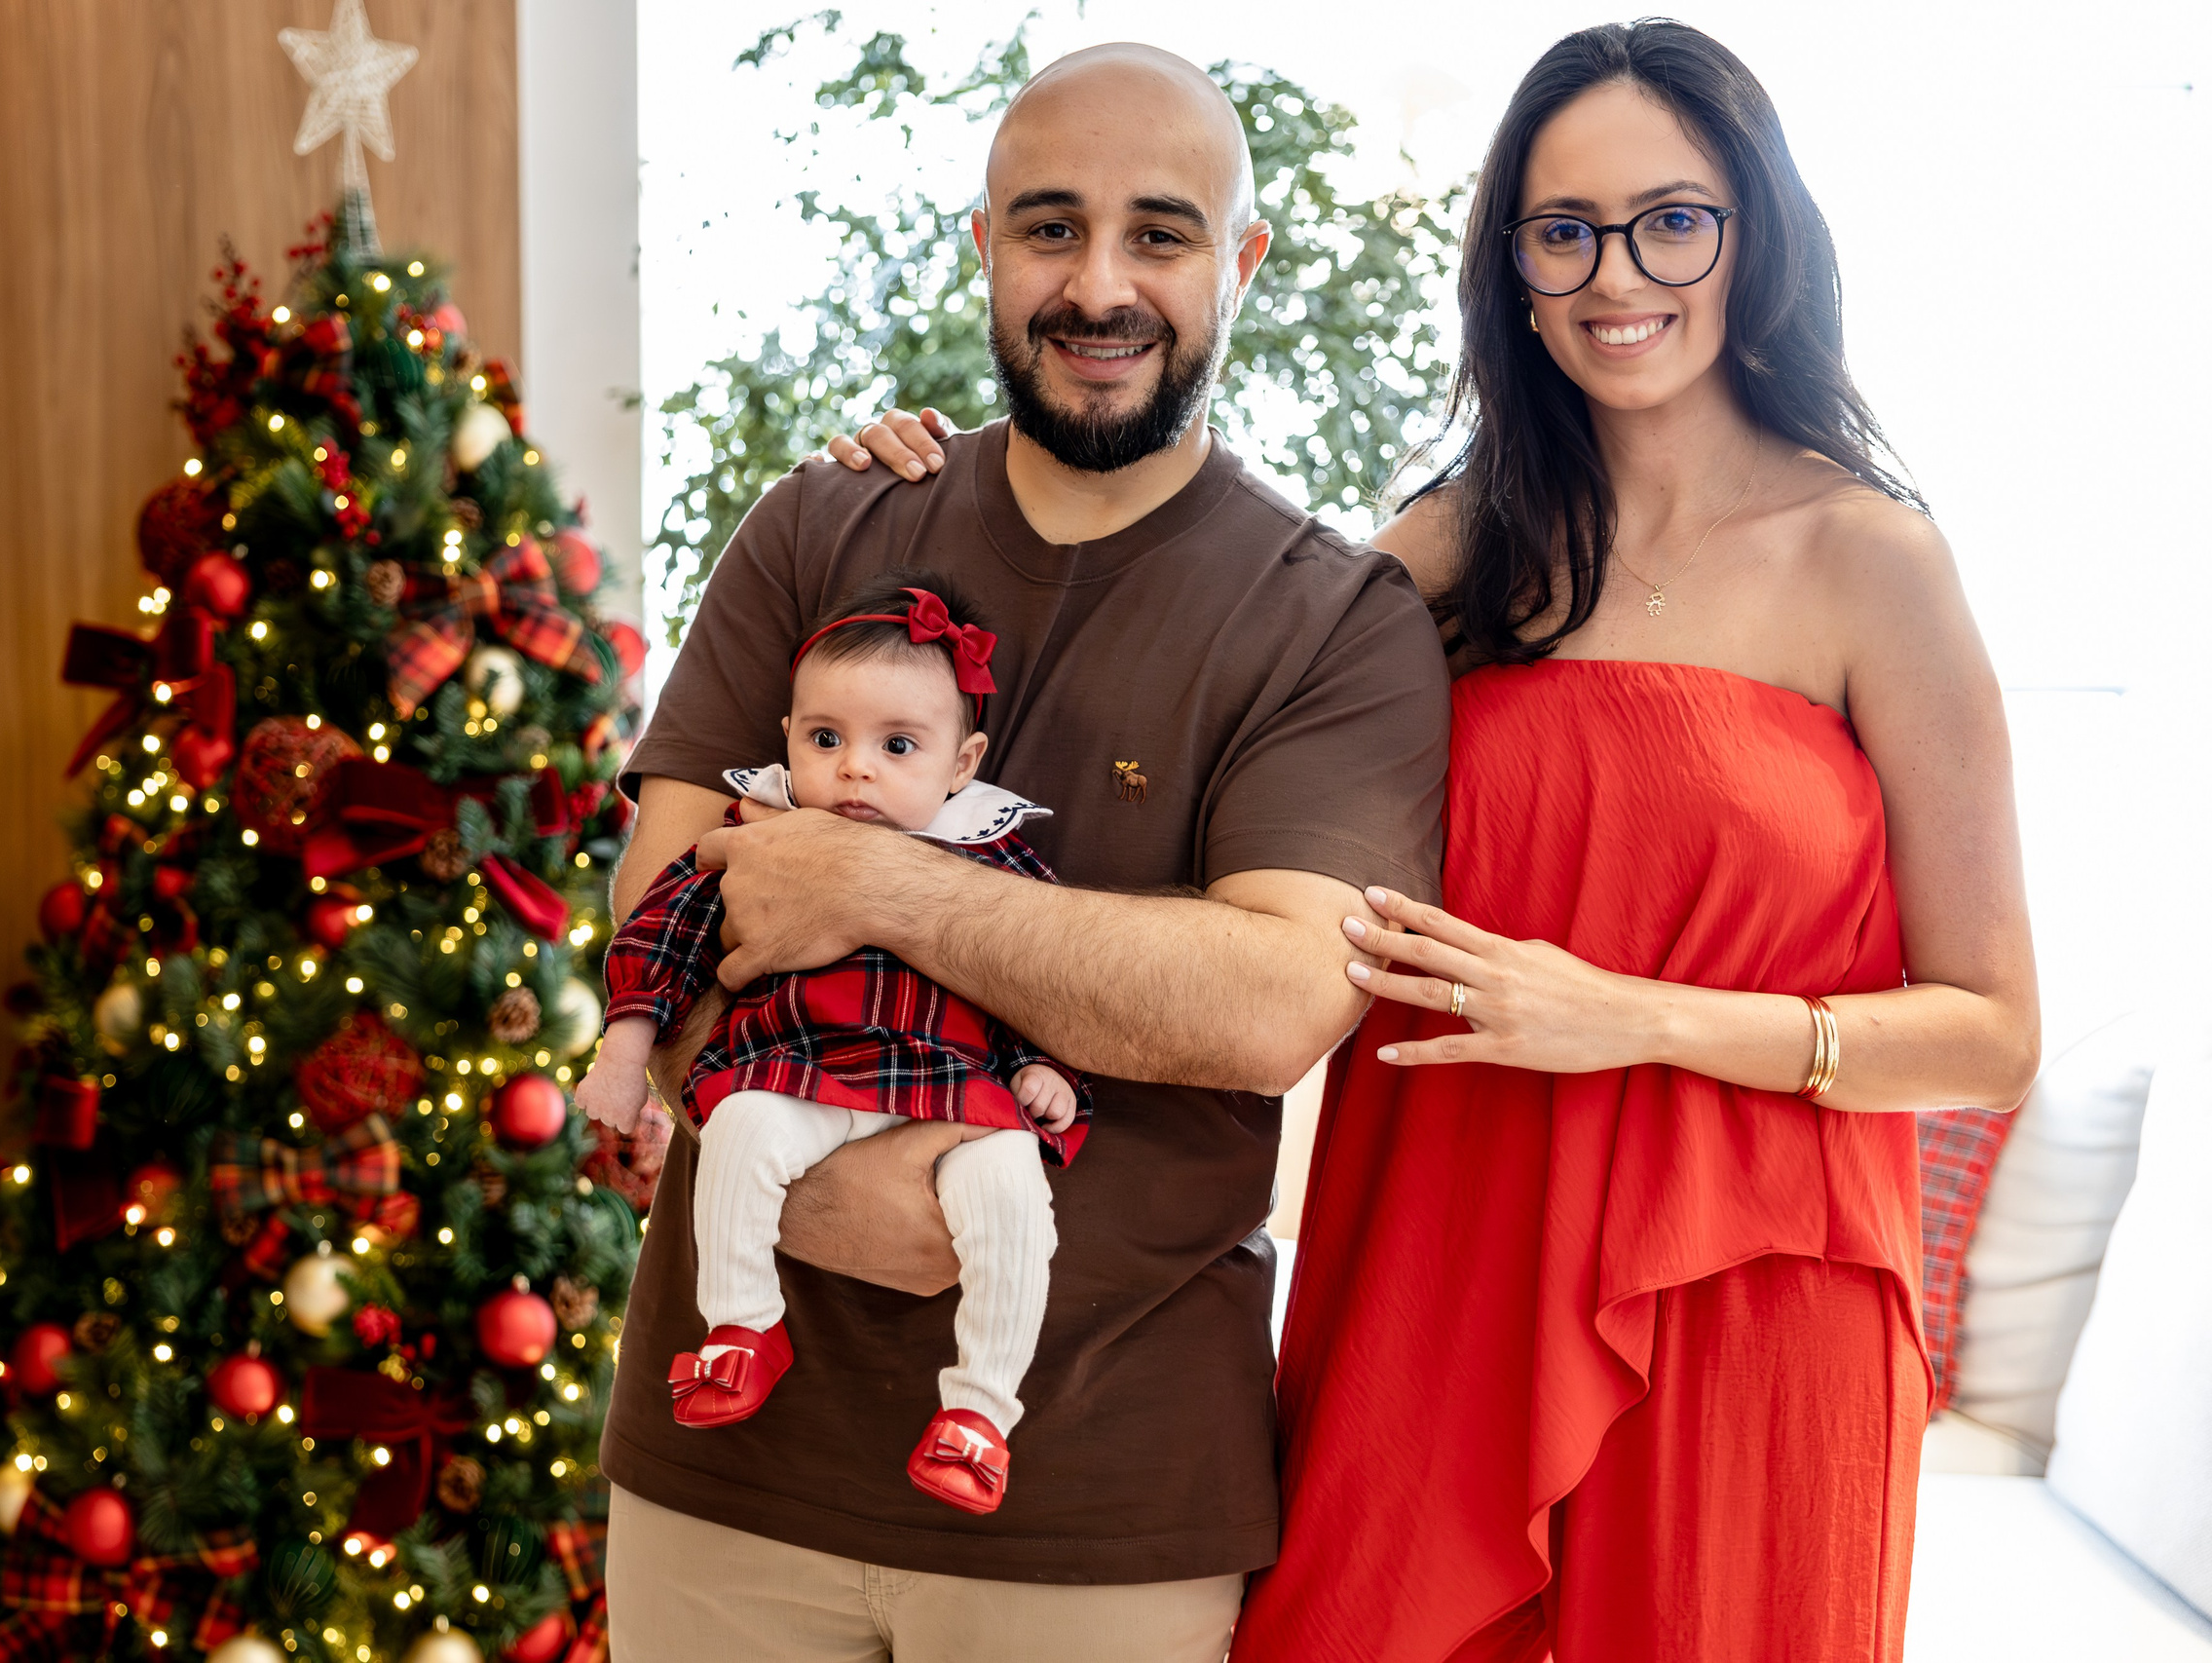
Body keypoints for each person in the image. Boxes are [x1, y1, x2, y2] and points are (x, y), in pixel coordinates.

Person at [832, 21, 2040, 1663]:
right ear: (1514, 269)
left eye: (1674, 220)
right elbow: (1140, 695)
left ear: (1756, 232)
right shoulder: (1449, 552)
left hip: (1759, 1292)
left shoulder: (1871, 562)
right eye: (1565, 231)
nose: (1619, 274)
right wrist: (928, 497)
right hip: (1448, 1258)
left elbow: (1990, 1030)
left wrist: (1634, 1019)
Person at [598, 42, 1449, 1663]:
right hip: (725, 1479)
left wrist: (866, 880)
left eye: (1160, 233)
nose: (1100, 285)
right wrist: (821, 1186)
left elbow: (1270, 1004)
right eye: (1051, 227)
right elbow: (658, 908)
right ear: (984, 243)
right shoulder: (822, 525)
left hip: (1104, 1510)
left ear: (1241, 263)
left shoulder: (1332, 618)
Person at [580, 571, 1092, 1517]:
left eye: (897, 745)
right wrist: (622, 1051)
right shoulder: (758, 831)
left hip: (953, 1085)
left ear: (961, 761)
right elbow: (662, 931)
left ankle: (980, 1411)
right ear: (787, 738)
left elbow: (1042, 972)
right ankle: (743, 1326)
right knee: (738, 1128)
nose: (856, 768)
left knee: (1012, 1191)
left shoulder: (994, 851)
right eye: (826, 739)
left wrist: (1040, 1065)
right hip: (801, 1068)